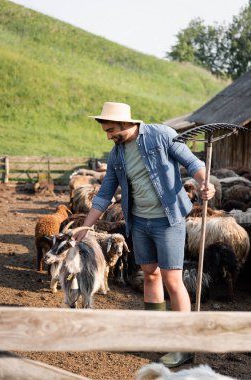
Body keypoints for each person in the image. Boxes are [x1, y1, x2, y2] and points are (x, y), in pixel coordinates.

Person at [74, 101, 215, 367]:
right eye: (106, 131)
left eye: (112, 129)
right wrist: (86, 225)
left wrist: (205, 182)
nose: (109, 135)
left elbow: (192, 162)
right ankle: (156, 331)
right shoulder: (117, 154)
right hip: (138, 222)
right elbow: (104, 194)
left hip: (169, 219)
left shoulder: (161, 135)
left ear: (128, 123)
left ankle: (183, 345)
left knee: (172, 279)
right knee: (149, 274)